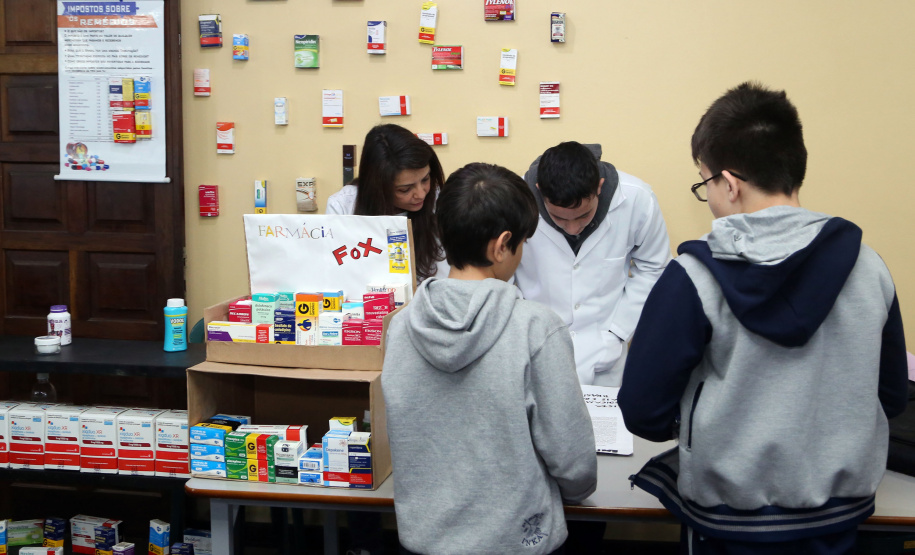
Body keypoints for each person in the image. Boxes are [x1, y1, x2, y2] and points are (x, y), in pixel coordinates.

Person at [618, 82, 909, 554]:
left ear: (728, 183)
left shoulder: (692, 277)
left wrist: (706, 423)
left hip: (727, 524)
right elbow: (893, 395)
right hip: (840, 520)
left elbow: (643, 411)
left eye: (704, 181)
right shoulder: (868, 265)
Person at [382, 162, 598, 555]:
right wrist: (577, 490)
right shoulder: (536, 328)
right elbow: (574, 461)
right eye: (522, 243)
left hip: (423, 539)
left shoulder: (400, 326)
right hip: (516, 540)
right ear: (501, 246)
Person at [514, 141, 671, 387]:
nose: (573, 228)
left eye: (583, 215)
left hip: (605, 349)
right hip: (534, 347)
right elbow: (500, 275)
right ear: (539, 190)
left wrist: (618, 332)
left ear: (599, 186)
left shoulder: (638, 200)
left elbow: (654, 267)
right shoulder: (512, 201)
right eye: (558, 217)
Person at [326, 123, 448, 281]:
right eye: (405, 189)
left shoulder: (442, 201)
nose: (420, 194)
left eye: (425, 179)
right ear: (377, 188)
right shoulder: (343, 207)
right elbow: (336, 275)